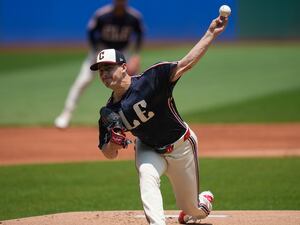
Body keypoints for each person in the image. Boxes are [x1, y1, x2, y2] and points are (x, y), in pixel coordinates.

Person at [91, 15, 228, 225]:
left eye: (108, 68)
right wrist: (113, 142)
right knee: (146, 174)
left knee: (193, 209)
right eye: (100, 71)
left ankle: (204, 201)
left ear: (124, 67)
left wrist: (210, 34)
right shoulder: (109, 113)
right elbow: (108, 153)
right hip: (148, 148)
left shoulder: (151, 79)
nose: (104, 74)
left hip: (181, 146)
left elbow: (186, 64)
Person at [54, 0, 144, 129]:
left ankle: (133, 117)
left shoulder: (134, 17)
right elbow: (91, 32)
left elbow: (140, 34)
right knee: (82, 81)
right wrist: (96, 51)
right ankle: (66, 115)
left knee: (132, 84)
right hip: (101, 52)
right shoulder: (102, 15)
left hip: (122, 54)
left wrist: (136, 55)